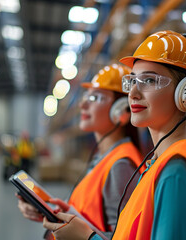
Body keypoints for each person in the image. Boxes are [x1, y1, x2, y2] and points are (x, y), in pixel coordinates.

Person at [42, 30, 186, 240]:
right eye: (132, 81)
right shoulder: (160, 163)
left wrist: (87, 238)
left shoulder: (175, 172)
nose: (133, 93)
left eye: (149, 80)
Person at [17, 63, 143, 239]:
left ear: (121, 110)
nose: (83, 105)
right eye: (86, 97)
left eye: (95, 98)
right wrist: (53, 214)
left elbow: (125, 236)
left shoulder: (121, 165)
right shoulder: (103, 158)